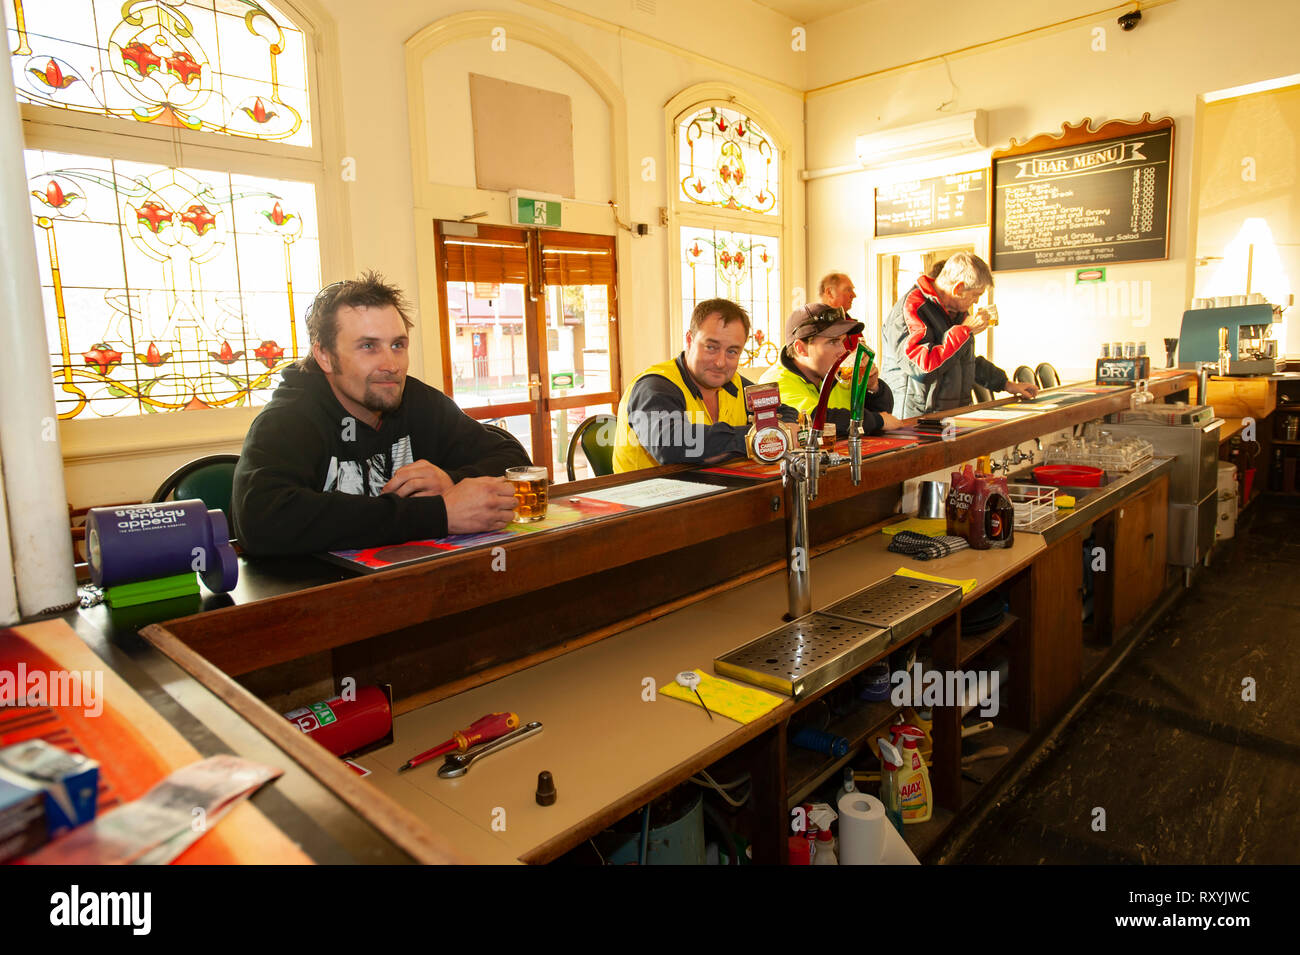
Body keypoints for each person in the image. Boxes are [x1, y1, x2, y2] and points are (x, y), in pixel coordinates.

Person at [232, 272, 530, 555]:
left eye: (398, 345)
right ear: (324, 355)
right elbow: (261, 520)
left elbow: (515, 462)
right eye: (368, 346)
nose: (391, 364)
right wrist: (439, 513)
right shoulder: (289, 420)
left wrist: (451, 482)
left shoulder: (419, 402)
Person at [880, 251, 1037, 419]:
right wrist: (963, 332)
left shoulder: (956, 310)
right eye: (976, 295)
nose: (976, 301)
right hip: (916, 419)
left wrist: (1005, 384)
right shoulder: (912, 308)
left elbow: (964, 361)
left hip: (951, 415)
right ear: (958, 288)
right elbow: (922, 367)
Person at [613, 298, 758, 472]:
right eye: (711, 347)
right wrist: (757, 437)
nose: (720, 362)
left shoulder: (734, 382)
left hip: (714, 492)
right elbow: (671, 445)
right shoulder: (654, 387)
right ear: (689, 340)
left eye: (732, 351)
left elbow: (787, 416)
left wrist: (781, 431)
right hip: (645, 497)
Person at [760, 303, 901, 436]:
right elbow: (817, 419)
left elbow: (884, 413)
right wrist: (877, 421)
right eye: (832, 342)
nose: (843, 350)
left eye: (842, 341)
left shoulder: (837, 374)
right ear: (801, 348)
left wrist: (872, 387)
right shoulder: (774, 383)